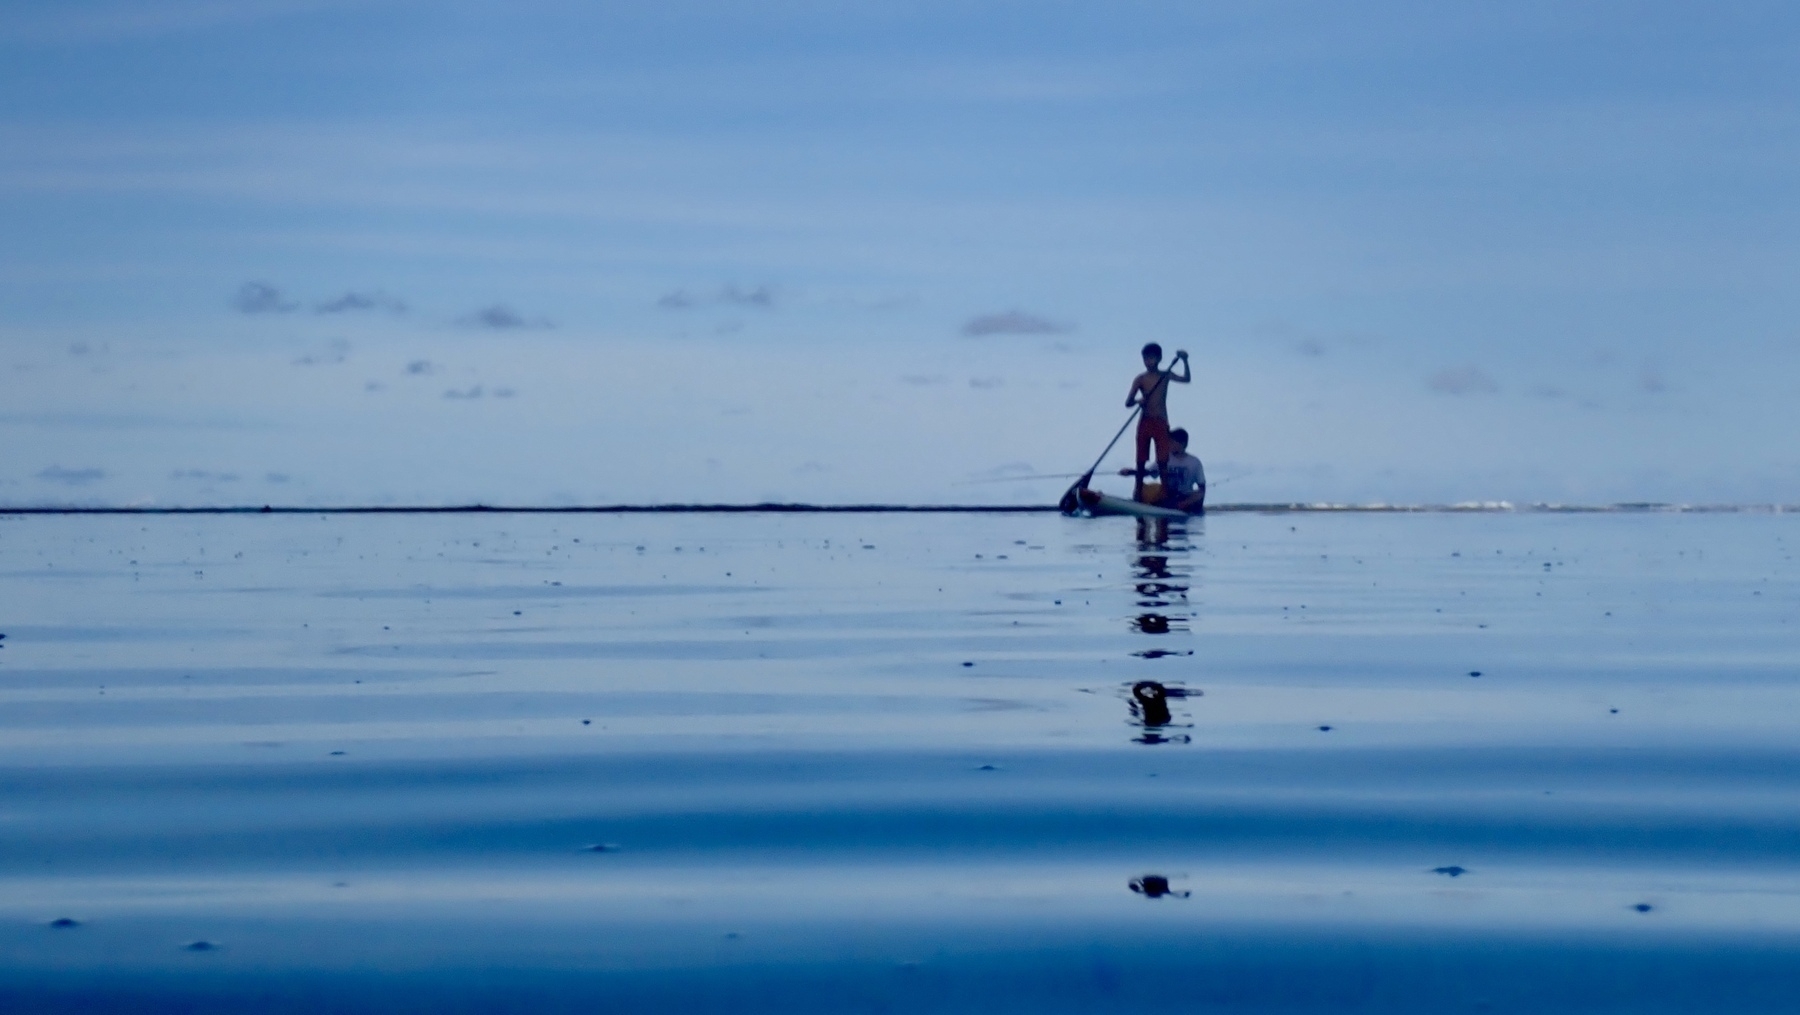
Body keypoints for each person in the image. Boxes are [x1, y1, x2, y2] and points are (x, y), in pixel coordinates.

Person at [1125, 343, 1190, 500]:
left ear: (1159, 359)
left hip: (1161, 421)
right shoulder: (1140, 379)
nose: (1148, 362)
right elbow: (1128, 402)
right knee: (1140, 459)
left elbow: (1186, 379)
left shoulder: (1165, 376)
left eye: (1151, 358)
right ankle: (1138, 491)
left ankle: (1165, 492)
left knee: (1162, 460)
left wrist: (1185, 361)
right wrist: (1139, 401)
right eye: (1145, 359)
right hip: (1145, 421)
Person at [1160, 427, 1206, 514]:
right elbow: (1148, 472)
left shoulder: (1194, 462)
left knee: (1198, 494)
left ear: (1182, 444)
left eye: (1172, 442)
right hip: (1168, 496)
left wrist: (1186, 503)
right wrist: (1131, 472)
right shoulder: (1164, 459)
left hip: (1186, 497)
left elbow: (1202, 489)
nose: (1168, 445)